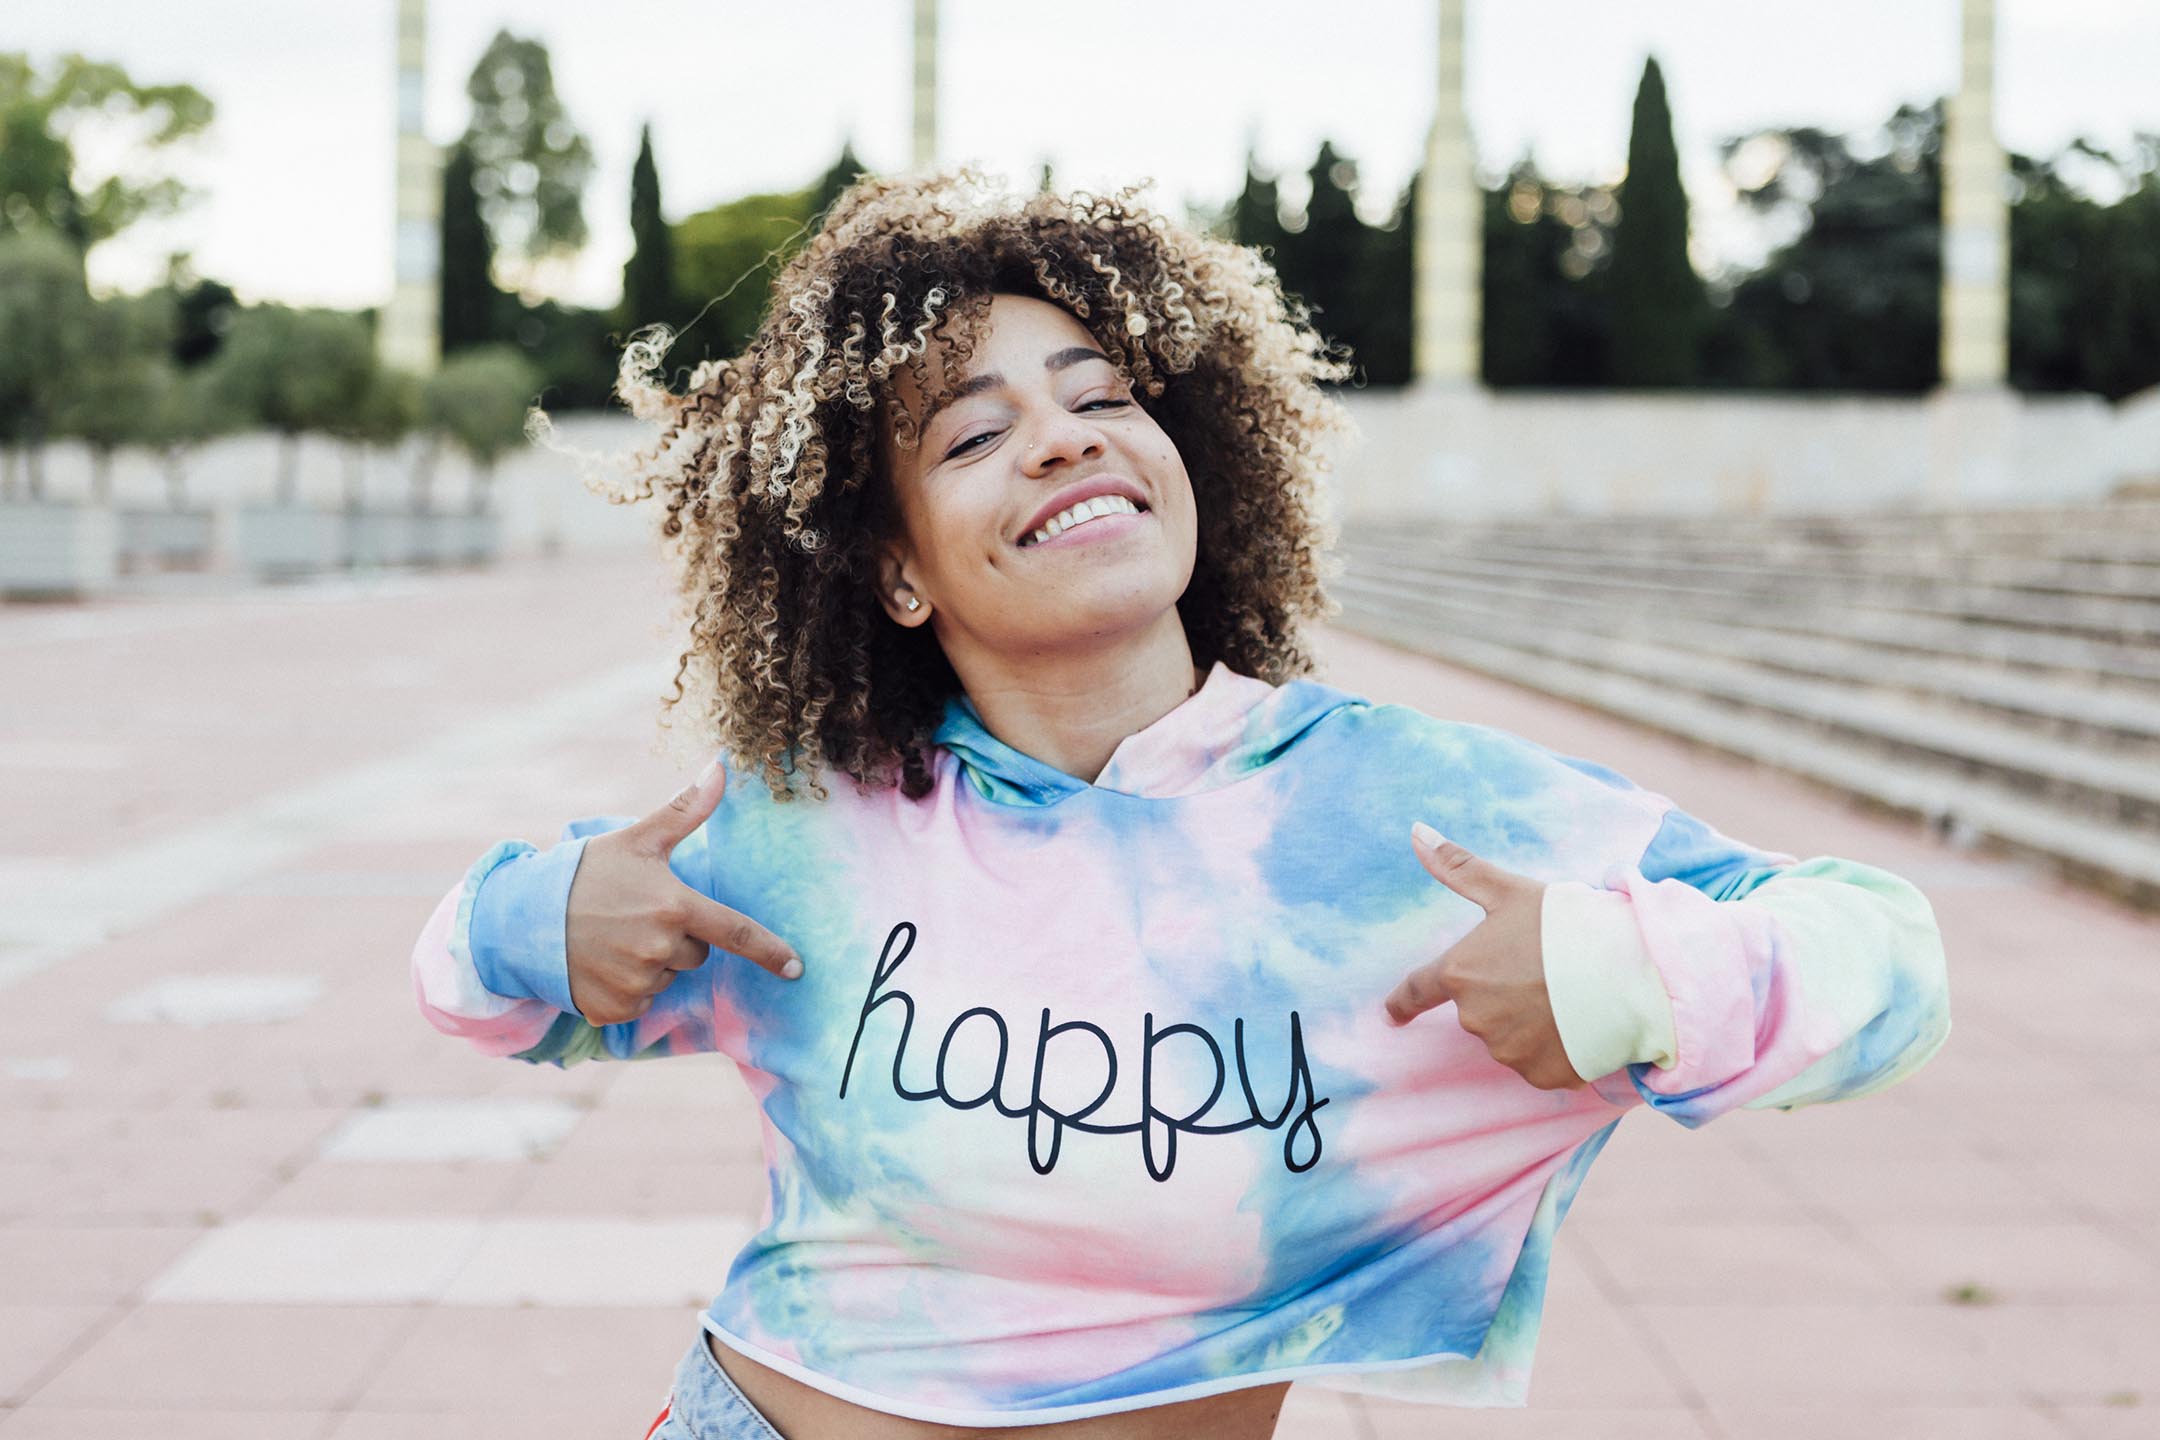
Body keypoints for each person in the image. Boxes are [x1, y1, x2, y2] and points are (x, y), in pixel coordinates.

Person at [410, 166, 1953, 1440]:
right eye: (970, 434)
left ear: (1188, 450)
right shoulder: (809, 827)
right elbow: (474, 990)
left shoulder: (1396, 813)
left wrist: (1627, 975)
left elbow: (1886, 959)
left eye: (1102, 395)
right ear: (889, 566)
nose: (1064, 436)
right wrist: (527, 918)